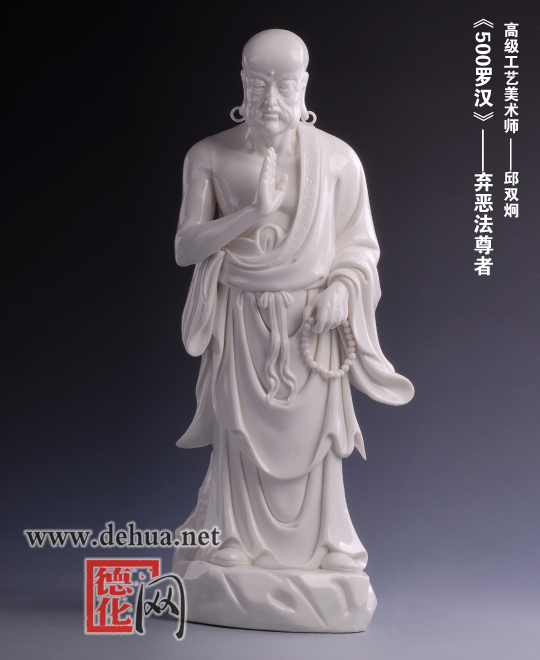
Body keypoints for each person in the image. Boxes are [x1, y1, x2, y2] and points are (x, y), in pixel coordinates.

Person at [173, 29, 413, 577]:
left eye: (285, 85)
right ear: (242, 83)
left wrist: (341, 290)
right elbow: (186, 247)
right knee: (238, 432)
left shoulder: (338, 159)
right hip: (241, 316)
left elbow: (360, 246)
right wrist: (252, 212)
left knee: (318, 439)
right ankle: (231, 537)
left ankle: (329, 542)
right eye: (259, 84)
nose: (271, 99)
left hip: (312, 321)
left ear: (304, 85)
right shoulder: (208, 156)